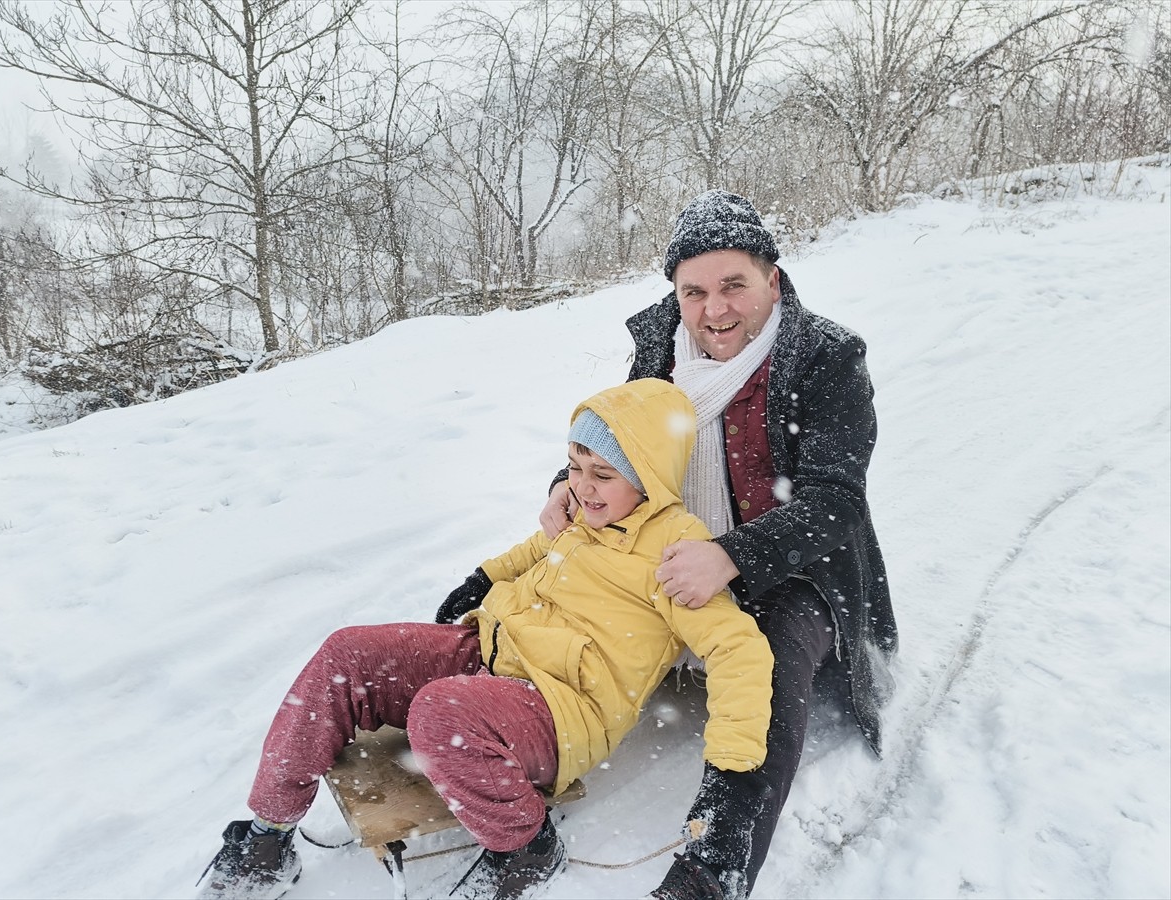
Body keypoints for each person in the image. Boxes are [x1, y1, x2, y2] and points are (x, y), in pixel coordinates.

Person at [196, 378, 773, 900]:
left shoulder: (677, 552)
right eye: (574, 466)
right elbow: (534, 551)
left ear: (650, 474)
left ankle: (526, 850)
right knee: (348, 654)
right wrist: (483, 579)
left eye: (603, 474)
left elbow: (739, 651)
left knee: (439, 713)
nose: (582, 487)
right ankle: (267, 832)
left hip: (559, 709)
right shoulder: (584, 514)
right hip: (492, 655)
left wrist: (733, 777)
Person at [537, 190, 899, 900]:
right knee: (556, 602)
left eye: (734, 285)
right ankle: (489, 741)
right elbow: (623, 434)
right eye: (694, 292)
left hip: (792, 567)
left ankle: (712, 868)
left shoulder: (825, 356)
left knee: (766, 660)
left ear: (773, 278)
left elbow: (835, 502)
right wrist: (564, 485)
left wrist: (733, 556)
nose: (715, 310)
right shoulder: (659, 346)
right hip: (668, 542)